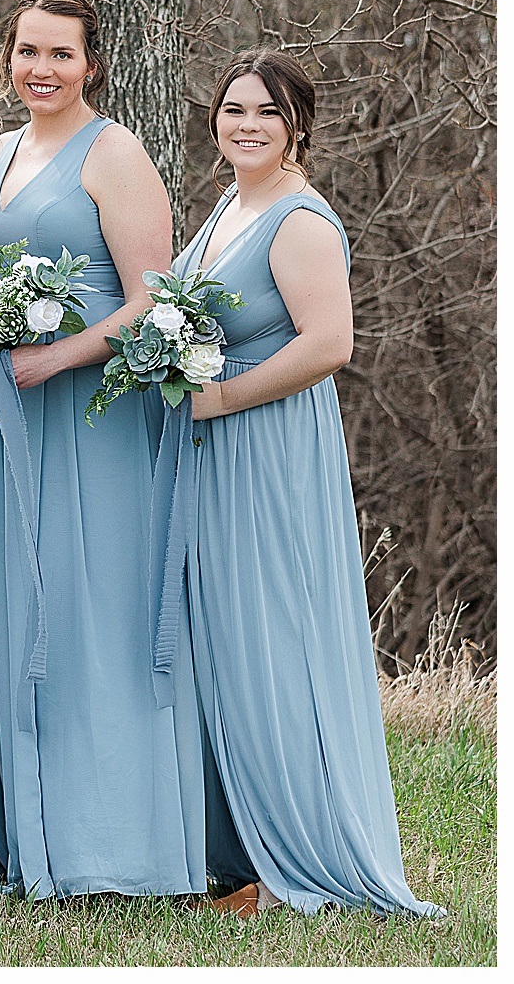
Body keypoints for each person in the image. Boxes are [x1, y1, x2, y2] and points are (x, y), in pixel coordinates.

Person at [162, 53, 438, 918]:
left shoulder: (301, 219)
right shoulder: (229, 207)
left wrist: (222, 397)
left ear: (298, 126)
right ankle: (237, 852)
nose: (246, 123)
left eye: (267, 112)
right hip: (212, 446)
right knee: (221, 644)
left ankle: (294, 865)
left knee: (270, 640)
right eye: (233, 108)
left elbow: (329, 343)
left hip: (268, 445)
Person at [0, 0, 203, 899]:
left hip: (90, 417)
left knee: (89, 610)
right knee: (10, 609)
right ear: (6, 57)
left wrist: (58, 360)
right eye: (27, 51)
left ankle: (109, 841)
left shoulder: (116, 152)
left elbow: (152, 297)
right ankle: (21, 831)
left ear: (92, 62)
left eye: (60, 53)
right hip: (0, 412)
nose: (41, 69)